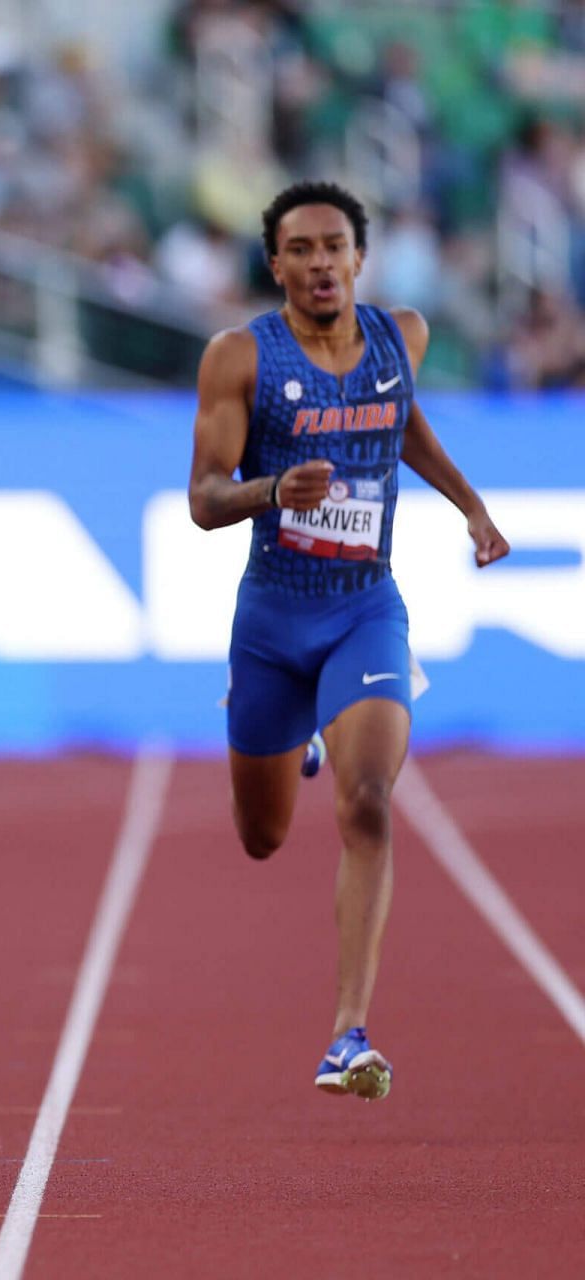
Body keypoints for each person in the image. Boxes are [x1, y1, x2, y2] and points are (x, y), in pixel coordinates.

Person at [187, 181, 510, 1101]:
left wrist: (471, 505)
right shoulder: (240, 357)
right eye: (302, 249)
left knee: (369, 804)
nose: (321, 262)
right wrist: (268, 491)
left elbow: (403, 422)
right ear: (276, 264)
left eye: (336, 246)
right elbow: (204, 496)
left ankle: (347, 1035)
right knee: (262, 836)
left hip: (366, 609)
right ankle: (303, 742)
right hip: (271, 621)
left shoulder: (400, 335)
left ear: (359, 259)